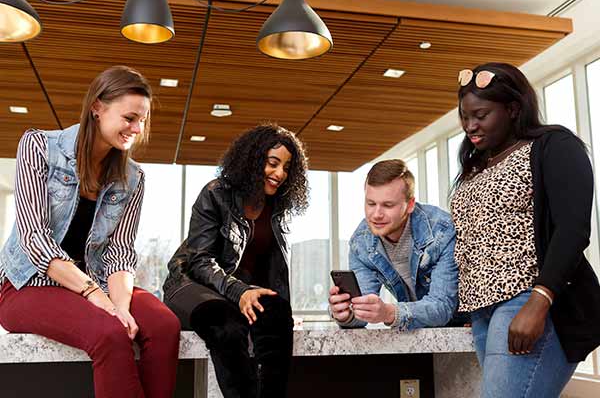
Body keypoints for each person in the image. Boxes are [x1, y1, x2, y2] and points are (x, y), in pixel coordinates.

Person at [0, 66, 181, 398]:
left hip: (96, 283)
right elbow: (35, 238)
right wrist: (98, 298)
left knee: (165, 326)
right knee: (109, 333)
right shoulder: (39, 147)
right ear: (97, 107)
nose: (137, 129)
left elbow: (120, 251)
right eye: (129, 118)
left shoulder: (133, 177)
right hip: (26, 285)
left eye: (142, 121)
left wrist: (121, 304)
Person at [451, 62, 600, 397]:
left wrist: (539, 301)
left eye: (481, 114)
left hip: (526, 301)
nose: (470, 125)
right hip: (482, 312)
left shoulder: (553, 145)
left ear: (513, 108)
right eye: (464, 115)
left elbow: (573, 228)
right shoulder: (476, 165)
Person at [163, 123, 309, 398]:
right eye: (272, 163)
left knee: (278, 313)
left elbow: (273, 271)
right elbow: (200, 261)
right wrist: (239, 291)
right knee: (227, 325)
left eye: (286, 168)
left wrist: (281, 313)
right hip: (191, 284)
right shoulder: (215, 193)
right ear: (253, 160)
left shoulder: (278, 208)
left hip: (236, 291)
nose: (279, 174)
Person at [328, 159, 458, 330]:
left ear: (410, 205)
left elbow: (442, 307)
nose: (376, 214)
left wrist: (388, 313)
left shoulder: (442, 230)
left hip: (464, 326)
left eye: (388, 205)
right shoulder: (361, 242)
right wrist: (347, 314)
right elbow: (364, 307)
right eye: (371, 203)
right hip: (419, 331)